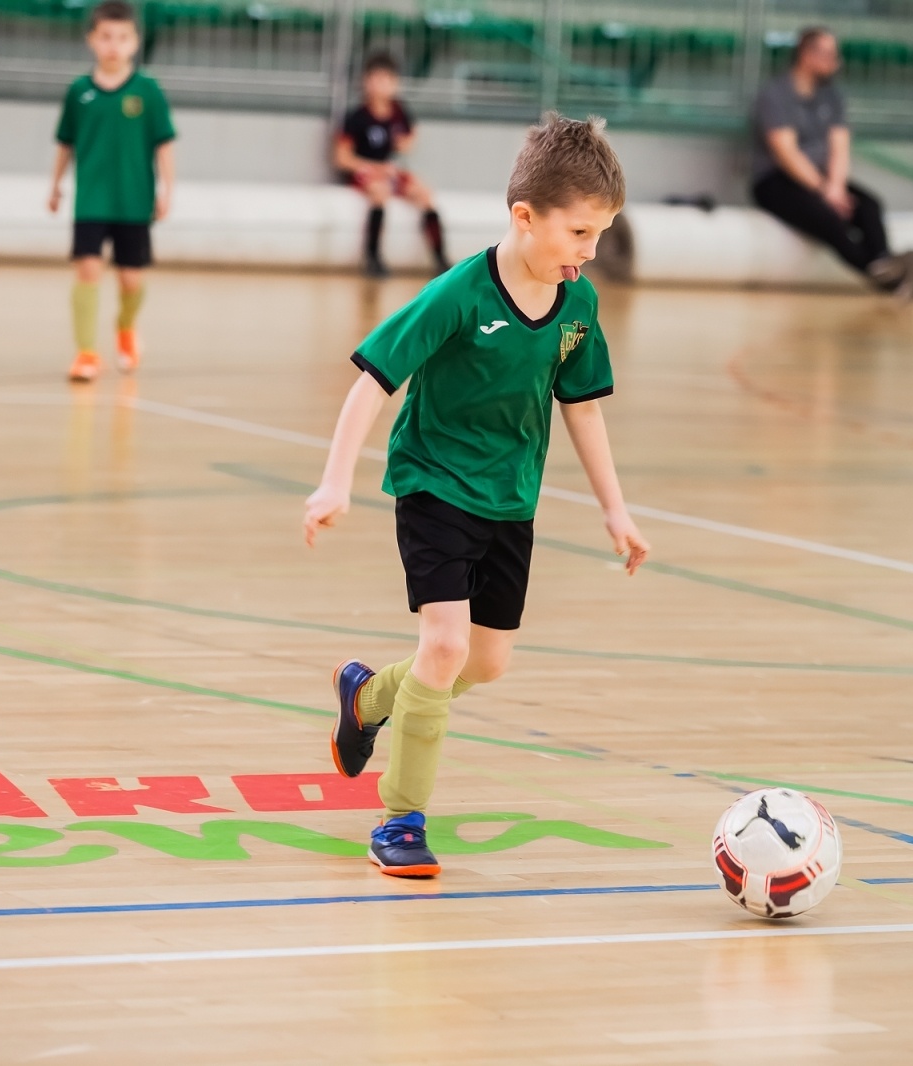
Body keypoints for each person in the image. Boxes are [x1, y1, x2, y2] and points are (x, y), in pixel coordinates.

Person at [303, 114, 651, 877]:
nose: (589, 253)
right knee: (447, 646)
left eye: (601, 235)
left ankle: (367, 698)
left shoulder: (576, 304)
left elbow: (581, 405)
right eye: (579, 233)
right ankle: (400, 820)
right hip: (433, 484)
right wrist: (336, 479)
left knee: (486, 664)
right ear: (524, 216)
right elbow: (373, 380)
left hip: (510, 499)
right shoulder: (459, 294)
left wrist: (614, 509)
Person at [49, 0, 175, 384]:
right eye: (105, 37)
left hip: (133, 203)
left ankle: (125, 329)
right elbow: (65, 143)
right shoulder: (79, 91)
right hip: (90, 200)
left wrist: (166, 188)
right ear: (91, 40)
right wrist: (55, 186)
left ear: (135, 42)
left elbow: (164, 144)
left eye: (122, 37)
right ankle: (86, 353)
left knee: (130, 280)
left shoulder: (148, 91)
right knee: (87, 270)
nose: (113, 46)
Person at [751, 27, 913, 296]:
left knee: (868, 205)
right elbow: (786, 153)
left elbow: (840, 148)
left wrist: (836, 187)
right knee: (829, 219)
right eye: (830, 54)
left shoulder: (832, 96)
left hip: (823, 179)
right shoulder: (776, 94)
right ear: (807, 55)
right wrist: (823, 191)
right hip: (777, 181)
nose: (836, 62)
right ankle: (887, 276)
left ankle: (884, 263)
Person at [334, 52, 449, 278]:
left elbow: (409, 138)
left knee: (424, 193)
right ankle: (373, 257)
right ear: (366, 82)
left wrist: (404, 143)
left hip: (389, 170)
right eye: (376, 79)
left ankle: (441, 258)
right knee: (379, 192)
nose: (381, 86)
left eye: (386, 80)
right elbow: (342, 158)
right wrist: (374, 168)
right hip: (366, 170)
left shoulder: (399, 112)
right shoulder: (357, 117)